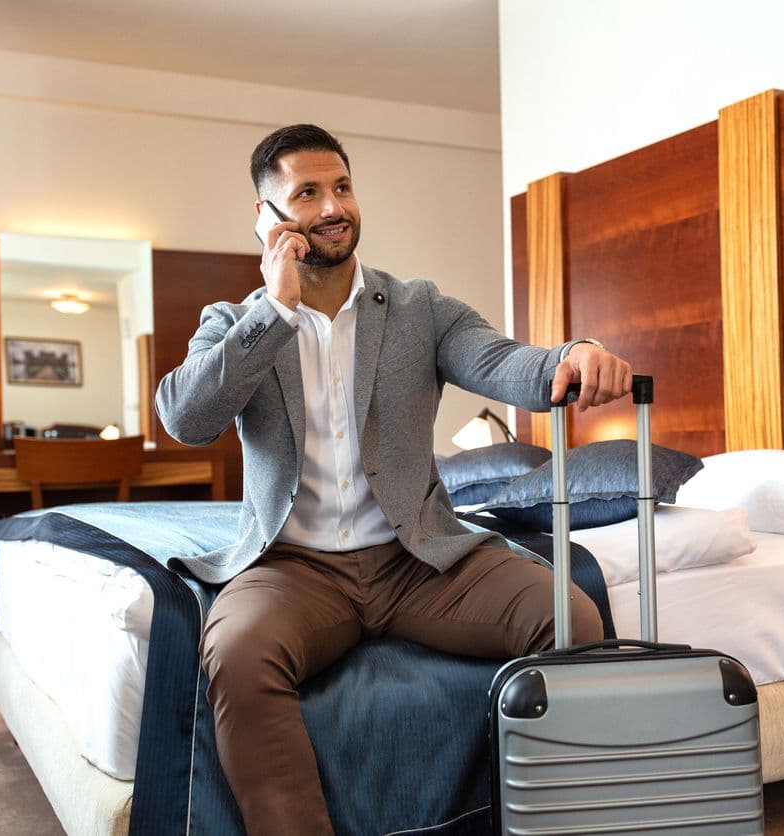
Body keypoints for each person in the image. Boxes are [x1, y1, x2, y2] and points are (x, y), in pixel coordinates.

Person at [155, 123, 633, 835]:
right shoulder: (234, 322)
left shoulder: (419, 309)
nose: (332, 207)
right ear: (268, 216)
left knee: (571, 619)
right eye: (307, 193)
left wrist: (577, 353)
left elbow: (503, 363)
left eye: (341, 187)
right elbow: (185, 417)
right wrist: (274, 308)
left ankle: (559, 819)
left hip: (418, 561)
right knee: (235, 653)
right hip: (292, 568)